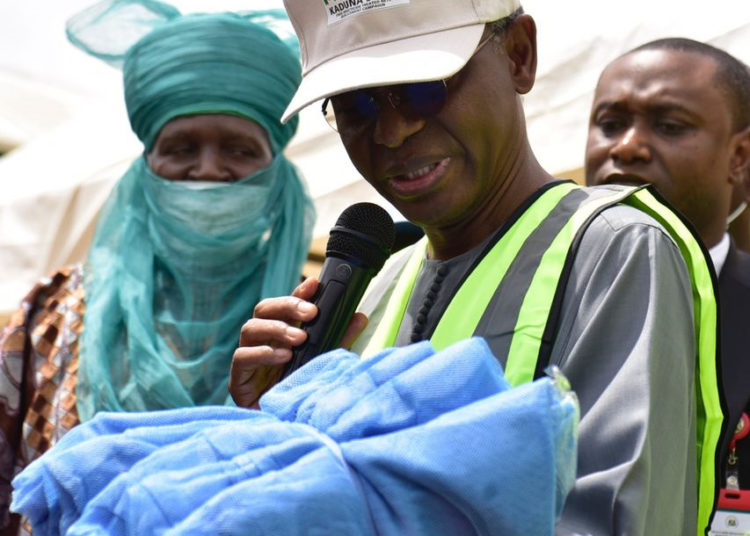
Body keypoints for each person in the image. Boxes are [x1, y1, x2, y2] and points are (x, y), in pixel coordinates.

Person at [229, 1, 723, 534]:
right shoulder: (373, 292)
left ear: (518, 56)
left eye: (423, 85)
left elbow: (615, 517)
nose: (392, 131)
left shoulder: (617, 252)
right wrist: (272, 425)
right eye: (355, 105)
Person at [0, 1, 314, 533]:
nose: (209, 170)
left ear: (275, 171)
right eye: (181, 147)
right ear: (146, 165)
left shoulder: (314, 318)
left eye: (239, 149)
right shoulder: (50, 315)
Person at [584, 37, 750, 505]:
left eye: (670, 126)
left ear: (739, 157)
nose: (628, 147)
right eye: (610, 125)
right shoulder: (535, 294)